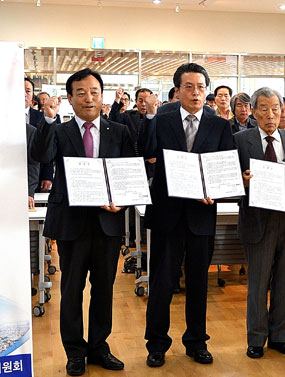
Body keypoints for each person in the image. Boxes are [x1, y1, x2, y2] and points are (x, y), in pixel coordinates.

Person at [31, 68, 135, 376]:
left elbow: (130, 173)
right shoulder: (60, 131)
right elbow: (41, 155)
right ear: (70, 98)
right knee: (72, 289)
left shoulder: (119, 131)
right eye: (81, 92)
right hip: (71, 224)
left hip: (108, 221)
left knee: (104, 289)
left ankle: (99, 347)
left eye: (94, 92)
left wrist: (123, 201)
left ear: (102, 96)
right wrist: (48, 118)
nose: (88, 98)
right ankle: (75, 351)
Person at [139, 63, 234, 368]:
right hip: (168, 214)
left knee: (198, 284)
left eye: (201, 87)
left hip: (201, 214)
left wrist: (216, 191)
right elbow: (146, 151)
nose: (196, 93)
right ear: (177, 90)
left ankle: (196, 341)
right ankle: (156, 343)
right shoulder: (162, 119)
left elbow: (225, 167)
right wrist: (151, 116)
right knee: (163, 284)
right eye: (189, 87)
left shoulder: (219, 125)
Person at [234, 87, 285, 359]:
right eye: (263, 108)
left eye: (276, 108)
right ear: (253, 112)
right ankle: (256, 339)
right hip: (257, 218)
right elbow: (231, 179)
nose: (270, 114)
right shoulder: (240, 140)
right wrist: (242, 179)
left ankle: (281, 336)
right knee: (258, 280)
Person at [25, 77, 54, 192]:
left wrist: (47, 175)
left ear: (32, 95)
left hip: (36, 174)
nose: (24, 94)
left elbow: (48, 145)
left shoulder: (41, 117)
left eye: (28, 91)